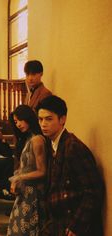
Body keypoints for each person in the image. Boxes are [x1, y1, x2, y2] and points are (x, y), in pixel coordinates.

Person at [36, 95, 104, 236]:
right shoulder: (51, 144)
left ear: (62, 119)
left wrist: (76, 226)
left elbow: (93, 190)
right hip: (56, 222)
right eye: (40, 119)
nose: (43, 124)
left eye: (49, 119)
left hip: (72, 225)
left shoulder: (73, 147)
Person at [7, 105, 47, 236]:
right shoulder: (27, 139)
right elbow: (23, 167)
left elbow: (42, 171)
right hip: (24, 192)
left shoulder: (37, 140)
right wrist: (16, 179)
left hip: (33, 193)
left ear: (28, 118)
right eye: (15, 121)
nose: (18, 124)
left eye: (20, 120)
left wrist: (20, 178)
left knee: (25, 230)